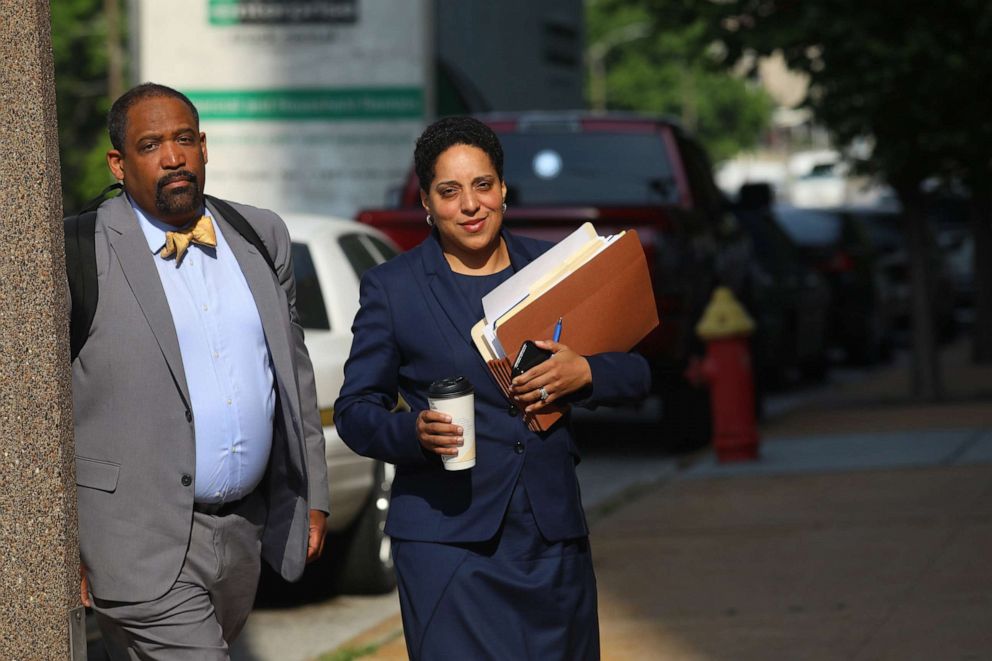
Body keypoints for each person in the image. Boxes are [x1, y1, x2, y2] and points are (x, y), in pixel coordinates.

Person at [334, 116, 651, 660]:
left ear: (504, 189)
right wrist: (413, 431)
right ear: (428, 205)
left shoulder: (555, 267)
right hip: (446, 542)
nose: (471, 205)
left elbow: (638, 373)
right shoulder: (394, 288)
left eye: (483, 185)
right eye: (449, 191)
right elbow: (354, 410)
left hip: (550, 538)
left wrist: (587, 374)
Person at [71, 82, 329, 659]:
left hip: (240, 533)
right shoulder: (78, 248)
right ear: (119, 162)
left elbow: (293, 372)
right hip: (133, 537)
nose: (172, 156)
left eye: (184, 139)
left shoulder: (261, 235)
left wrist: (312, 488)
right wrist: (59, 543)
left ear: (204, 147)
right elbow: (35, 406)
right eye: (151, 145)